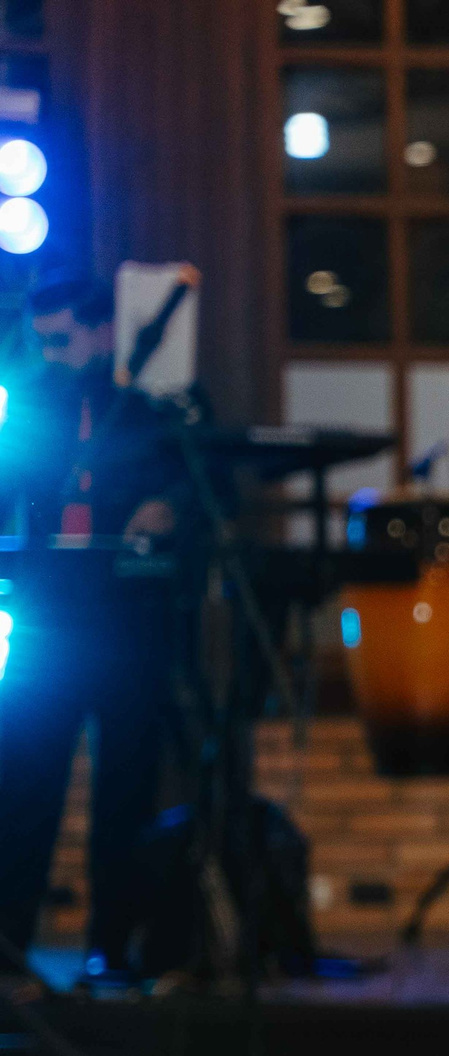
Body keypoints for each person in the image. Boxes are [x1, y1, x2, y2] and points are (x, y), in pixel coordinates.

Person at [0, 274, 185, 982]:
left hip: (126, 616)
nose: (48, 353)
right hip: (50, 612)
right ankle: (12, 943)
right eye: (39, 339)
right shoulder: (28, 409)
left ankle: (113, 946)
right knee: (24, 782)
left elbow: (203, 488)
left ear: (103, 331)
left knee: (126, 789)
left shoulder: (146, 412)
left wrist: (164, 508)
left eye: (62, 338)